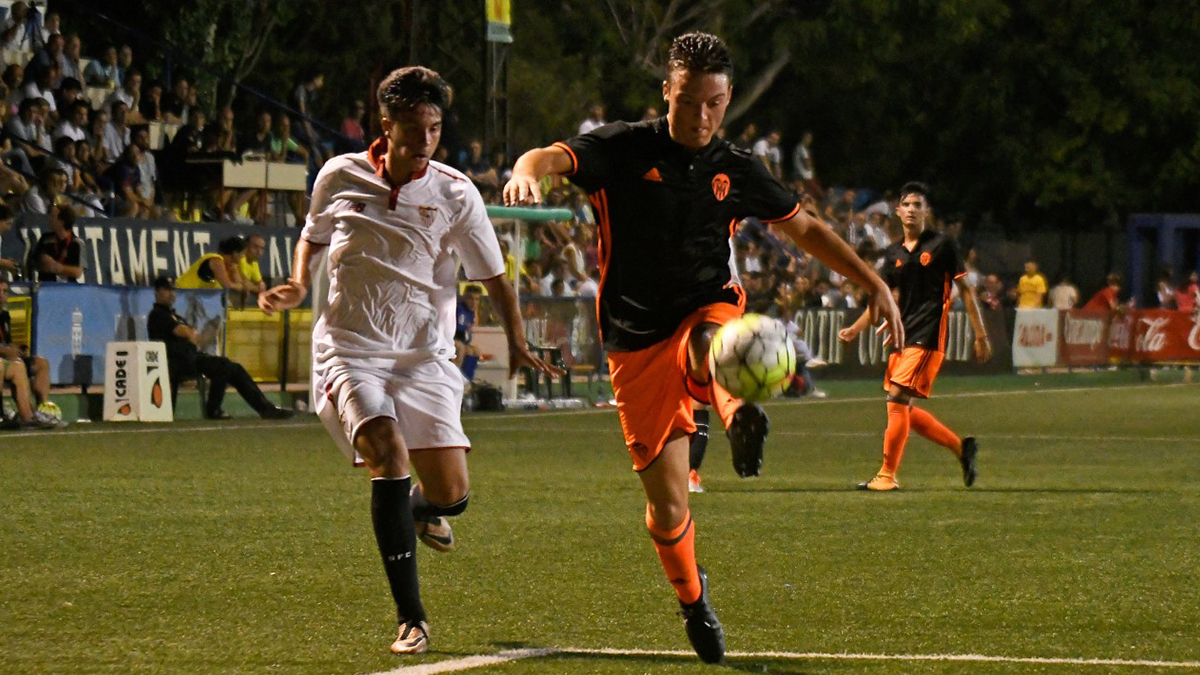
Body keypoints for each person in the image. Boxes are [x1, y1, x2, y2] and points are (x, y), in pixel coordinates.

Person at [502, 32, 903, 664]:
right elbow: (549, 158)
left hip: (706, 309)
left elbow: (806, 228)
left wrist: (872, 280)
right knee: (666, 508)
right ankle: (693, 598)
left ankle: (741, 414)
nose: (700, 117)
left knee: (718, 340)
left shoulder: (736, 168)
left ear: (729, 99)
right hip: (633, 339)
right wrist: (526, 172)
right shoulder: (624, 148)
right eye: (688, 101)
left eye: (714, 103)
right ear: (667, 90)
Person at [258, 66, 560, 655]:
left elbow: (494, 276)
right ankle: (412, 617)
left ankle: (423, 510)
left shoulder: (455, 192)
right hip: (350, 350)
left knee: (454, 495)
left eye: (436, 127)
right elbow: (314, 236)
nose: (426, 139)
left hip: (423, 357)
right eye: (416, 127)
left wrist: (517, 338)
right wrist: (298, 282)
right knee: (388, 453)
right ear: (386, 124)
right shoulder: (339, 174)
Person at [839, 182, 991, 491]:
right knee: (902, 407)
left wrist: (981, 334)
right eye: (906, 204)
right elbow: (883, 298)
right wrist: (856, 328)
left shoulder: (943, 245)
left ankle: (887, 475)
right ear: (897, 211)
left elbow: (966, 290)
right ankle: (962, 448)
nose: (911, 209)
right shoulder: (894, 252)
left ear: (926, 212)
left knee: (896, 398)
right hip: (901, 334)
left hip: (928, 335)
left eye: (917, 205)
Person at [148, 274, 293, 420]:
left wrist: (191, 334)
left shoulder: (173, 315)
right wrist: (190, 333)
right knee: (222, 366)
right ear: (157, 292)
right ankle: (213, 410)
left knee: (234, 368)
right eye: (167, 290)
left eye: (173, 290)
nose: (171, 294)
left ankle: (265, 408)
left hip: (191, 357)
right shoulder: (157, 314)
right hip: (175, 361)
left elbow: (195, 337)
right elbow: (185, 332)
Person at [176, 236, 256, 294]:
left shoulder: (231, 265)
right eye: (242, 254)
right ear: (235, 253)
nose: (243, 257)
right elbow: (227, 285)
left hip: (195, 294)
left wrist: (244, 286)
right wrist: (241, 287)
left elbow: (240, 283)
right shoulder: (216, 260)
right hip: (181, 292)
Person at [29, 204, 83, 282]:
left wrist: (56, 267)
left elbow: (78, 272)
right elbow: (34, 262)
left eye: (53, 217)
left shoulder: (78, 243)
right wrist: (42, 263)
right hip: (46, 286)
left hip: (68, 288)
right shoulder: (45, 239)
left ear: (61, 222)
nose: (49, 219)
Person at [453, 285, 483, 381]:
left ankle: (467, 379)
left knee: (476, 351)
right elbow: (458, 331)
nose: (474, 302)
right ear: (464, 298)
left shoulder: (471, 312)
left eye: (476, 299)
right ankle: (455, 378)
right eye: (471, 298)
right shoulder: (460, 309)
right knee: (463, 349)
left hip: (460, 339)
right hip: (449, 338)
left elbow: (466, 334)